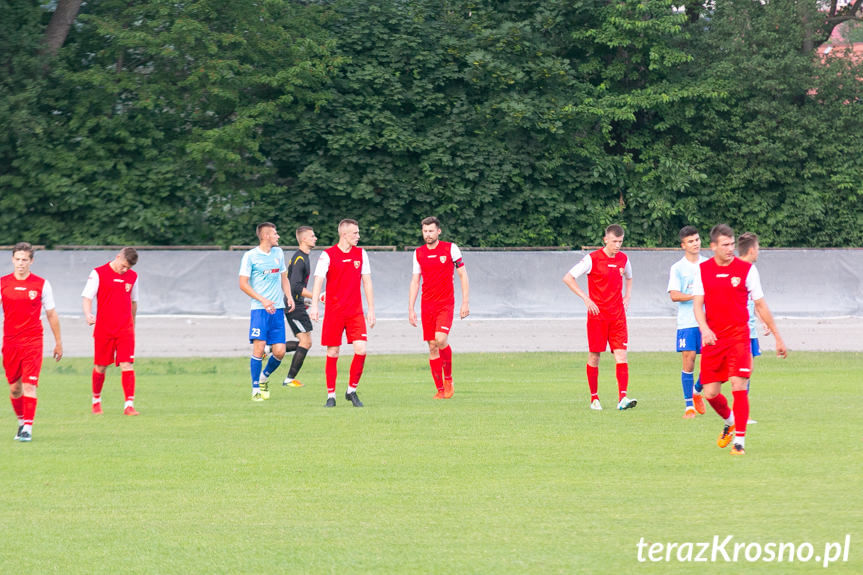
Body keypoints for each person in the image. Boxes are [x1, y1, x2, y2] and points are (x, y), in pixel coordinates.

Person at [692, 224, 787, 456]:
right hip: (713, 339)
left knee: (738, 385)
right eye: (725, 245)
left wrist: (777, 336)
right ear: (713, 246)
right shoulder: (702, 270)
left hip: (739, 337)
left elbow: (760, 304)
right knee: (710, 393)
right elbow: (697, 305)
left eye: (732, 244)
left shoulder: (747, 270)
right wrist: (704, 328)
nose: (730, 249)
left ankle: (740, 443)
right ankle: (730, 420)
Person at [563, 224, 637, 411]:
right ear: (605, 240)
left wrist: (627, 296)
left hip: (618, 316)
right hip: (597, 316)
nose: (618, 245)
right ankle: (594, 398)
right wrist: (586, 299)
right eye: (614, 241)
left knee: (621, 354)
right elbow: (568, 278)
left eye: (620, 241)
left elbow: (629, 277)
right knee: (595, 355)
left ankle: (623, 398)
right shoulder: (592, 259)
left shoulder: (623, 259)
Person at [309, 219, 375, 408]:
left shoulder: (361, 254)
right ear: (344, 234)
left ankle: (351, 391)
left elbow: (367, 282)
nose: (358, 236)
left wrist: (371, 309)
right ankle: (331, 396)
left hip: (355, 312)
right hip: (334, 312)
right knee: (333, 351)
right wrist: (314, 305)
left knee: (361, 350)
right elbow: (318, 281)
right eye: (355, 233)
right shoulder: (327, 255)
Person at [1, 243, 63, 441]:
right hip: (10, 341)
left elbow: (51, 313)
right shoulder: (3, 283)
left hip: (33, 341)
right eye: (17, 259)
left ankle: (28, 428)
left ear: (31, 261)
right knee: (15, 388)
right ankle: (21, 423)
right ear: (12, 260)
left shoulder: (41, 284)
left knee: (29, 385)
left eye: (24, 260)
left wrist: (58, 342)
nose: (20, 263)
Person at [408, 217, 470, 399]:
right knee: (432, 346)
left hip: (445, 303)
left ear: (438, 231)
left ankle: (448, 379)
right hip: (427, 305)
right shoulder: (418, 253)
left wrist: (465, 302)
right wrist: (411, 308)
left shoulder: (451, 248)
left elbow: (462, 275)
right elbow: (415, 281)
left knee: (441, 339)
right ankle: (440, 390)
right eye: (425, 231)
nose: (427, 234)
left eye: (431, 231)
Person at [239, 223, 294, 401]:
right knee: (259, 348)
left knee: (279, 351)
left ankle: (264, 378)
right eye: (275, 233)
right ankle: (255, 389)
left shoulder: (278, 253)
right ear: (266, 236)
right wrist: (262, 300)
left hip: (277, 309)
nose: (278, 236)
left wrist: (289, 296)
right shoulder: (250, 256)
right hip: (259, 310)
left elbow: (284, 278)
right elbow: (243, 284)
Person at [82, 247, 140, 415]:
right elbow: (87, 297)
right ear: (118, 257)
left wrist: (132, 324)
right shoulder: (98, 273)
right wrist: (88, 314)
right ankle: (96, 401)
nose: (125, 270)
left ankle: (129, 405)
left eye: (128, 268)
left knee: (127, 364)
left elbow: (134, 302)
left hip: (125, 328)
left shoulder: (133, 277)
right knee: (101, 366)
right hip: (104, 328)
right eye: (123, 266)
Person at [667, 226, 708, 419]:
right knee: (689, 359)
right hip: (687, 322)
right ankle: (689, 406)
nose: (695, 244)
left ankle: (697, 389)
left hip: (708, 322)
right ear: (683, 245)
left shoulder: (709, 264)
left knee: (711, 363)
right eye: (691, 241)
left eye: (697, 240)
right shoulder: (678, 268)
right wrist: (696, 296)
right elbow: (674, 295)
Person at [737, 231, 776, 425]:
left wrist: (761, 322)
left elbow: (755, 302)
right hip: (738, 330)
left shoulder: (749, 271)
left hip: (750, 329)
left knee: (747, 371)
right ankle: (698, 388)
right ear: (752, 250)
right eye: (758, 248)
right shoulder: (740, 270)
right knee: (734, 372)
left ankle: (743, 413)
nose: (759, 252)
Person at [279, 226, 318, 388]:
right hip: (294, 306)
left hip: (297, 303)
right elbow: (295, 286)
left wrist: (304, 300)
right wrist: (317, 297)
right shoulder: (300, 259)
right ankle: (288, 379)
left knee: (305, 342)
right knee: (305, 342)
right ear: (303, 239)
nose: (315, 238)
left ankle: (270, 348)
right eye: (312, 236)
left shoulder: (302, 257)